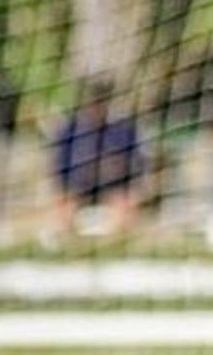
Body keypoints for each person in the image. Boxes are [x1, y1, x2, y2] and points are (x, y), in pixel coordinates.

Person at [51, 76, 145, 237]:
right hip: (80, 188)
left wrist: (114, 168)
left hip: (113, 186)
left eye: (102, 101)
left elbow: (136, 165)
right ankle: (67, 241)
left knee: (124, 203)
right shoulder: (71, 130)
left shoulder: (123, 130)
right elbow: (60, 168)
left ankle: (116, 242)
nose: (98, 106)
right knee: (64, 204)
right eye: (94, 101)